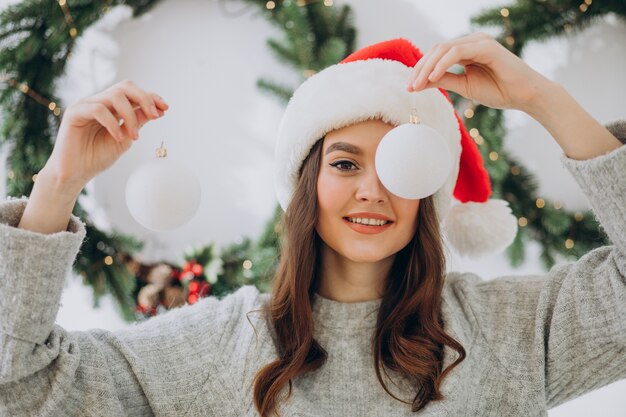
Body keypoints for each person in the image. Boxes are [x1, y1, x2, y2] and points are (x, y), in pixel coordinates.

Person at [0, 32, 624, 417]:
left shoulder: (509, 332)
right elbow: (24, 389)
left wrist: (543, 97)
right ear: (306, 183)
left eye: (398, 163)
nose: (373, 188)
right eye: (345, 162)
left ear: (428, 191)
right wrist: (58, 184)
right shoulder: (222, 346)